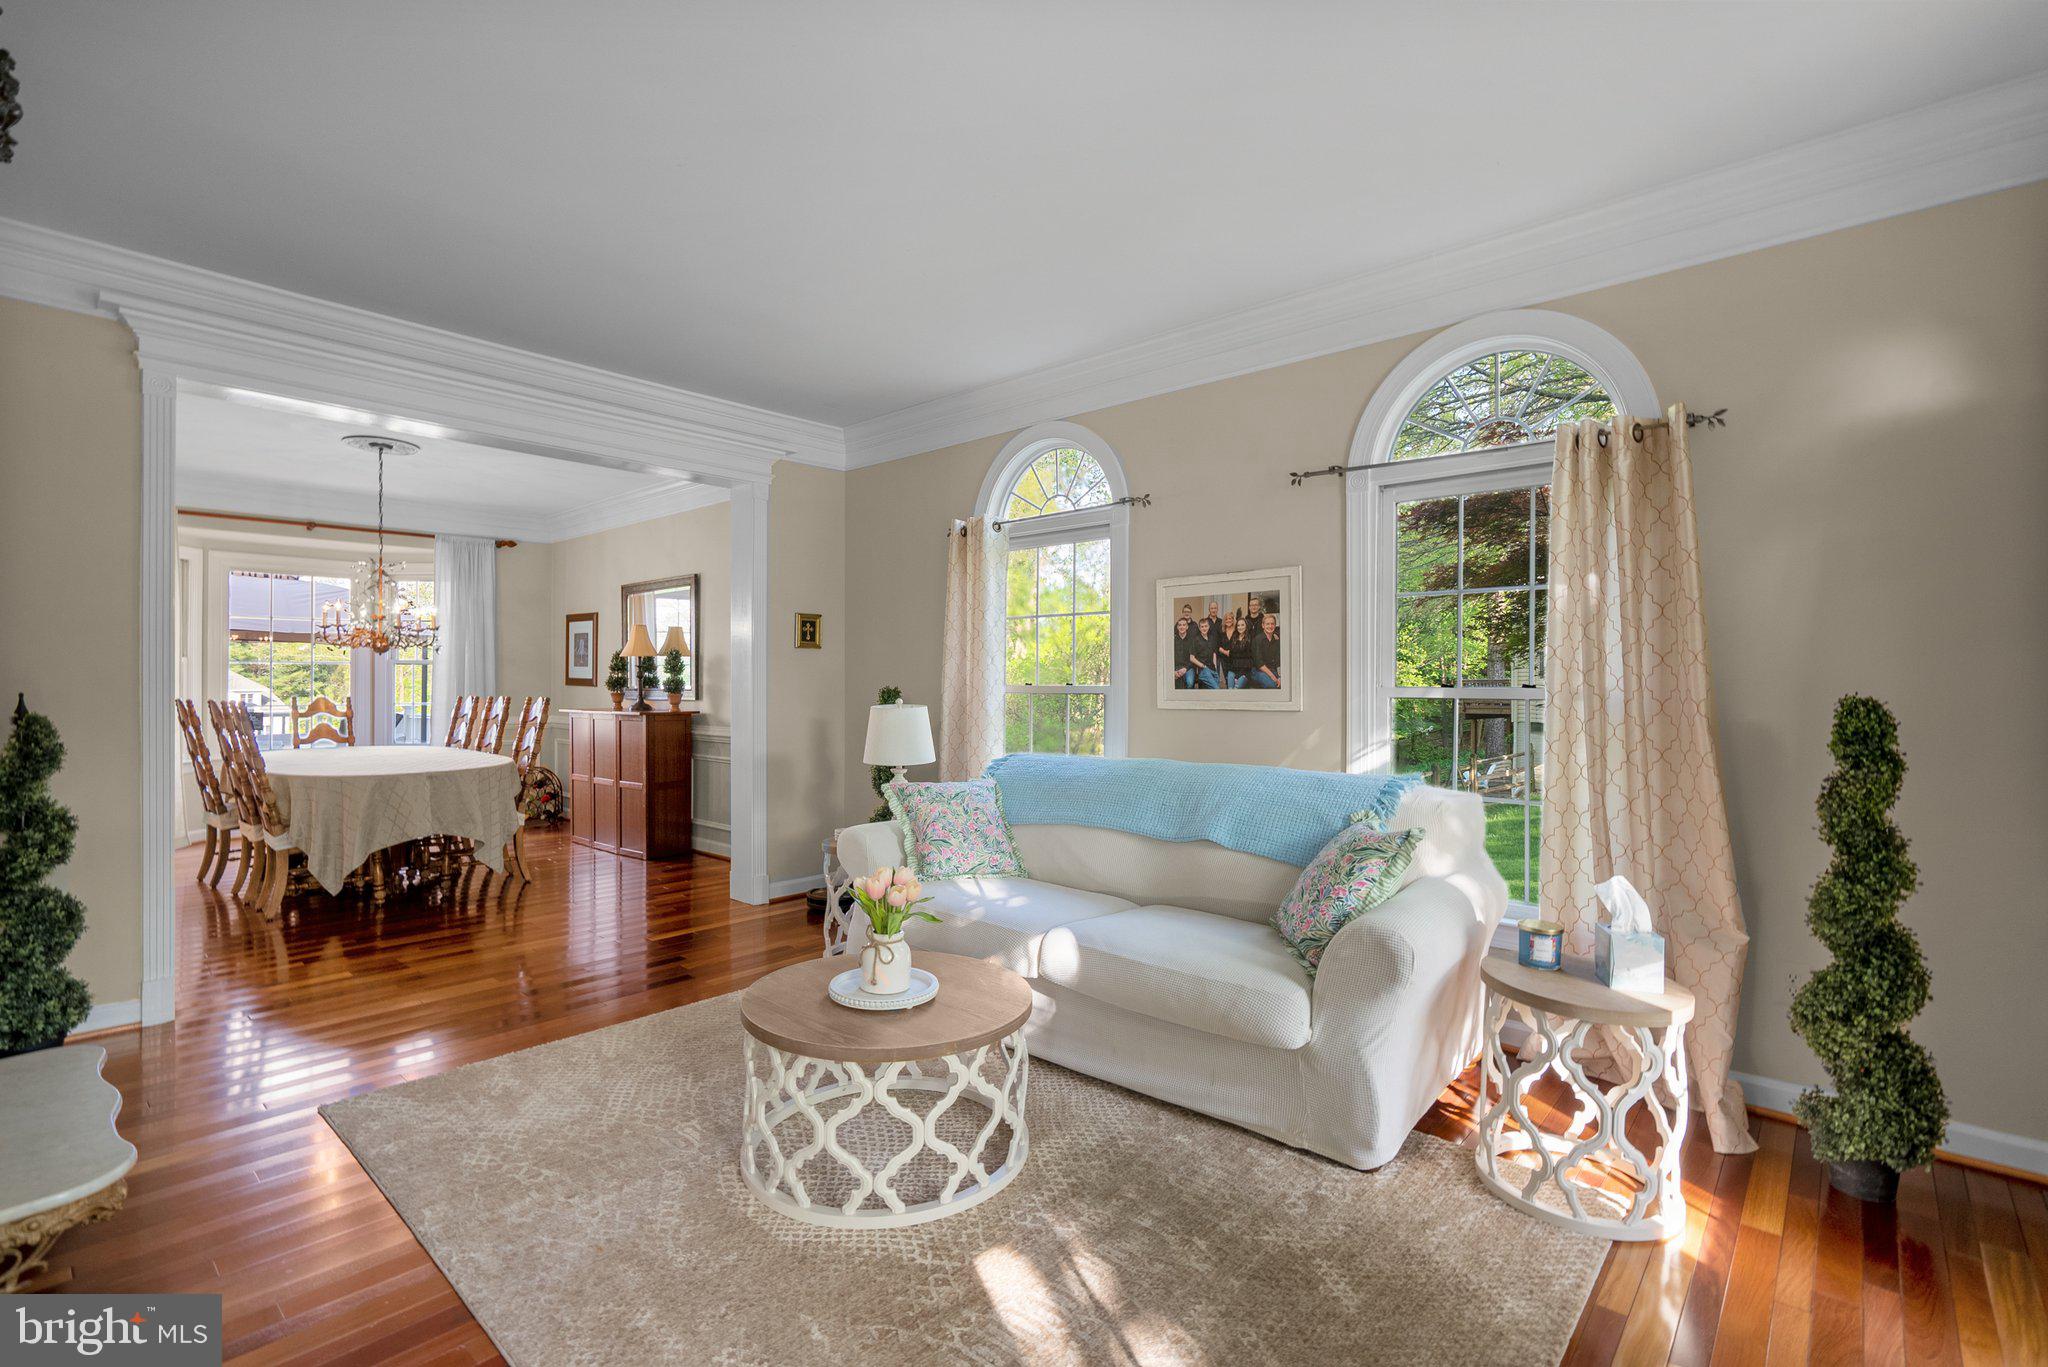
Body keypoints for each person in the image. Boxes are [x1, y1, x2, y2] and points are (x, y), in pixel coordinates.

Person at [1245, 611, 1283, 688]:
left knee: (1283, 684)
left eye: (1272, 624)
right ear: (1263, 625)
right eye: (1267, 624)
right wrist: (1274, 678)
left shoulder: (1276, 640)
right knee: (1272, 685)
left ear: (1275, 625)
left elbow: (1278, 661)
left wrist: (1280, 677)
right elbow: (1259, 664)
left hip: (1272, 670)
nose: (1270, 626)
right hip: (1258, 671)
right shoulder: (1257, 640)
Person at [1188, 616, 1222, 688]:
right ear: (1199, 628)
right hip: (1203, 669)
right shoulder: (1196, 640)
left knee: (1216, 686)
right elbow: (1192, 658)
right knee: (1216, 688)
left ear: (1209, 627)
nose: (1204, 628)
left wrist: (1215, 666)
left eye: (1206, 626)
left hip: (1213, 669)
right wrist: (1203, 666)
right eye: (1202, 627)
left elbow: (1214, 653)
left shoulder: (1211, 638)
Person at [1171, 616, 1198, 688]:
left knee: (1189, 682)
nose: (1182, 627)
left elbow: (1193, 659)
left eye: (1184, 625)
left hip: (1189, 668)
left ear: (1187, 627)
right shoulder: (1173, 640)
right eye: (1180, 625)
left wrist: (1185, 668)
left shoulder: (1192, 640)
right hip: (1175, 667)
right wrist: (1173, 671)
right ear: (1177, 627)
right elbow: (1170, 658)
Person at [1218, 615, 1245, 687]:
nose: (1228, 620)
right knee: (1227, 679)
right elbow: (1217, 645)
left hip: (1235, 658)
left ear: (1233, 620)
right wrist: (1225, 652)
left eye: (1230, 618)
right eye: (1226, 619)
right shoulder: (1221, 631)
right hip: (1224, 658)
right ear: (1224, 621)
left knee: (1236, 679)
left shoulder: (1237, 631)